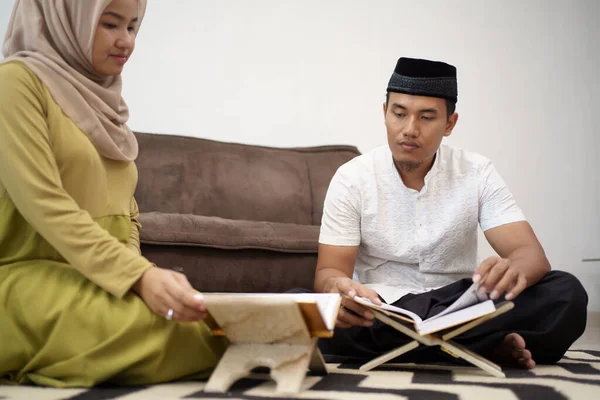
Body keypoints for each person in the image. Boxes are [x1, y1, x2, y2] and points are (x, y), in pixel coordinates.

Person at [0, 0, 225, 387]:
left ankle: (286, 327)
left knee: (202, 323)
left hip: (97, 278)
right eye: (110, 24)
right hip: (21, 279)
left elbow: (127, 213)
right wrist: (139, 277)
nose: (126, 42)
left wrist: (133, 280)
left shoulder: (108, 106)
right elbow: (45, 203)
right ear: (65, 19)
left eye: (133, 27)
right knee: (190, 335)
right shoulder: (15, 83)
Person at [314, 57, 588, 369]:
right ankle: (479, 346)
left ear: (449, 124)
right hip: (383, 310)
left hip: (462, 307)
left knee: (565, 291)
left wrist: (511, 272)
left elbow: (530, 255)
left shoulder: (477, 172)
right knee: (298, 306)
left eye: (426, 118)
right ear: (384, 112)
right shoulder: (352, 178)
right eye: (399, 114)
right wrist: (337, 289)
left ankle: (432, 345)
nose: (409, 130)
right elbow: (328, 274)